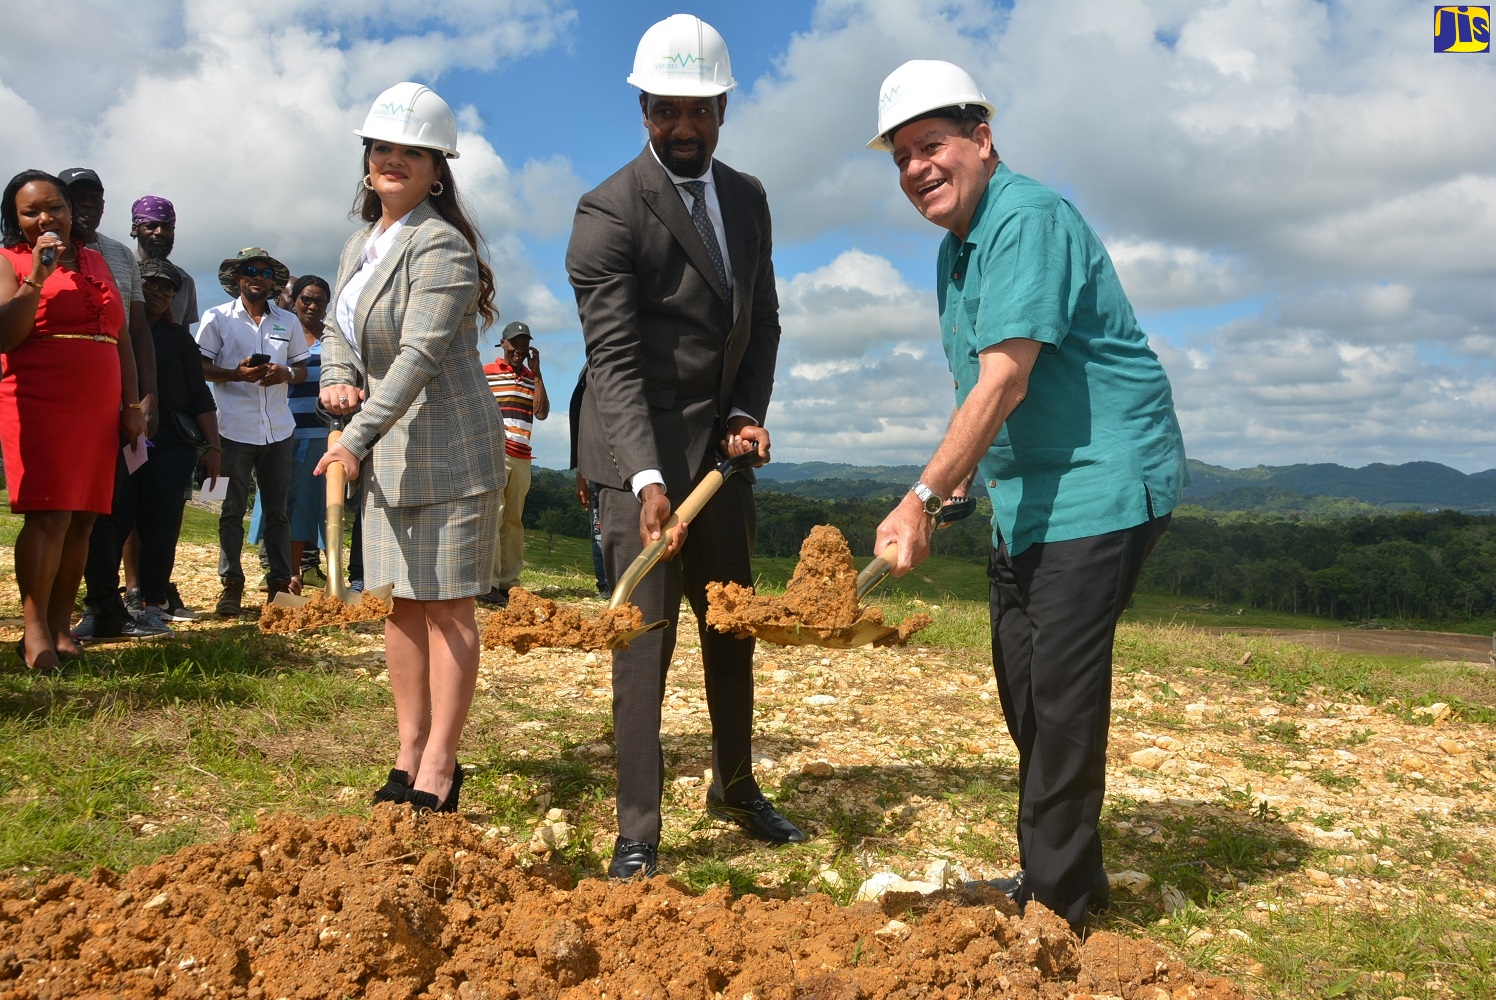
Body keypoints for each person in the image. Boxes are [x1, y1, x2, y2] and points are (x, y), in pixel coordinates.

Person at [866, 61, 1189, 931]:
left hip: (1104, 477)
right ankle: (1068, 872)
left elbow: (1005, 378)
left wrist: (921, 500)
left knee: (1060, 691)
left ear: (982, 138)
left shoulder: (1029, 219)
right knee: (1023, 679)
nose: (915, 169)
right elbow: (982, 386)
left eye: (931, 145)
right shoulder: (954, 253)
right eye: (900, 156)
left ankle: (1056, 905)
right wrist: (962, 482)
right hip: (1027, 490)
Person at [566, 15, 798, 880]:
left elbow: (762, 321)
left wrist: (744, 412)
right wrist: (647, 475)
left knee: (730, 625)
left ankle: (734, 787)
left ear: (725, 106)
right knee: (645, 638)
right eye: (669, 111)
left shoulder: (749, 198)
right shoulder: (607, 212)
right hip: (638, 455)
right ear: (643, 108)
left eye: (701, 109)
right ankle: (638, 830)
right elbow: (615, 361)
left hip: (722, 455)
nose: (687, 127)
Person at [318, 82, 506, 814]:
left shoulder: (442, 246)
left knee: (449, 608)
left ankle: (441, 763)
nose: (394, 161)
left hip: (452, 455)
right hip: (387, 458)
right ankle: (406, 749)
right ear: (367, 162)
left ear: (437, 170)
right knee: (400, 608)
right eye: (383, 149)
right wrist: (336, 380)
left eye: (413, 153)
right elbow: (340, 330)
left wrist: (351, 439)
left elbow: (418, 359)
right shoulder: (358, 246)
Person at [0, 170, 147, 670]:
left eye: (54, 207)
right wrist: (37, 277)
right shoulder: (8, 261)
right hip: (39, 397)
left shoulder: (99, 261)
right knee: (49, 514)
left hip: (99, 403)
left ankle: (62, 626)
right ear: (15, 219)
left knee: (83, 520)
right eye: (31, 211)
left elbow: (121, 337)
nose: (45, 218)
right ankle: (34, 630)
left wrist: (132, 404)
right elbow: (6, 335)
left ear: (68, 210)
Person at [61, 168, 168, 641]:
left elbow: (136, 331)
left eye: (96, 198)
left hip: (114, 400)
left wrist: (146, 397)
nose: (88, 205)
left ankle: (104, 606)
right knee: (59, 510)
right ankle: (48, 616)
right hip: (57, 400)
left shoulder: (119, 257)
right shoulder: (33, 254)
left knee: (112, 506)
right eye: (77, 197)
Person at [198, 247, 309, 614]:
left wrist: (285, 374)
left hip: (278, 430)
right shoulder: (216, 318)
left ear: (272, 282)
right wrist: (234, 375)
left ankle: (279, 586)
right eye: (250, 270)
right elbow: (199, 366)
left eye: (265, 272)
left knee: (278, 511)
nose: (258, 277)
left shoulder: (288, 322)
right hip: (231, 429)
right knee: (229, 509)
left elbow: (301, 369)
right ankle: (231, 585)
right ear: (237, 278)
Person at [130, 259, 221, 630]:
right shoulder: (119, 329)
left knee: (163, 523)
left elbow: (200, 394)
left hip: (171, 443)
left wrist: (214, 447)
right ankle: (106, 602)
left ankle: (154, 602)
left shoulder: (179, 338)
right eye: (151, 284)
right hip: (123, 437)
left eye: (168, 288)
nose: (159, 292)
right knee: (118, 518)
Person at [247, 275, 331, 593]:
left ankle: (293, 575)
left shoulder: (335, 339)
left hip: (317, 433)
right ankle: (275, 571)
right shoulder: (278, 333)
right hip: (277, 429)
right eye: (305, 299)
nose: (312, 306)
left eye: (319, 301)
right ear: (293, 300)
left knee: (306, 505)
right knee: (275, 502)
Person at [478, 320, 548, 606]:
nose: (520, 349)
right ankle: (488, 584)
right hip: (495, 452)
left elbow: (541, 412)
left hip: (522, 455)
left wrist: (538, 372)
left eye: (524, 344)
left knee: (513, 521)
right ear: (503, 344)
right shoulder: (486, 373)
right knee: (494, 516)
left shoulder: (532, 378)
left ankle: (510, 584)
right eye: (515, 343)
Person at [568, 372, 610, 598]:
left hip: (629, 472)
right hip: (595, 470)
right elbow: (582, 431)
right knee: (599, 530)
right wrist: (580, 474)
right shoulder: (586, 380)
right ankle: (605, 584)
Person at [130, 196, 198, 330]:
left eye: (167, 227)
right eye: (151, 226)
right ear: (135, 229)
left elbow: (183, 336)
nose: (159, 232)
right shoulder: (119, 270)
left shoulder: (184, 281)